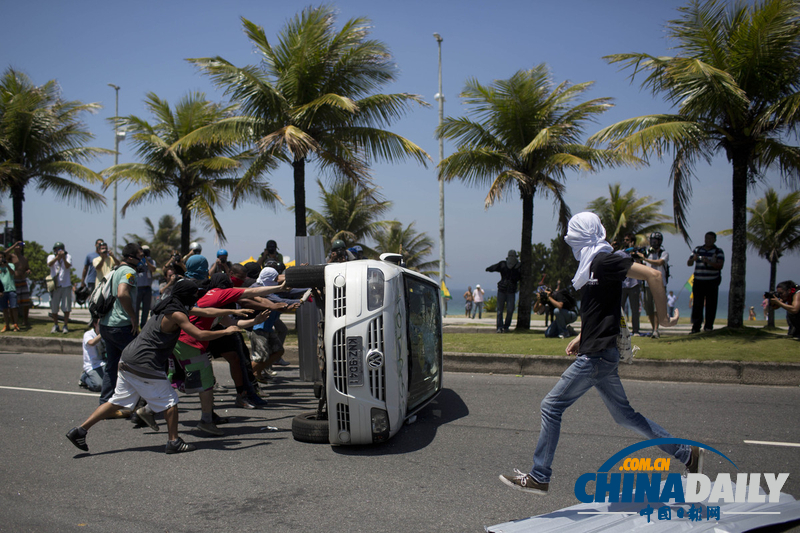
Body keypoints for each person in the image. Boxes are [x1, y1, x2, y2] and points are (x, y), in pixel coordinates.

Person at [499, 212, 701, 495]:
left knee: (551, 406)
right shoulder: (592, 264)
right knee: (625, 417)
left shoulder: (605, 259)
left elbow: (654, 275)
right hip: (599, 351)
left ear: (583, 236)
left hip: (596, 357)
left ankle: (539, 476)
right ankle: (686, 453)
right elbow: (602, 308)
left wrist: (664, 318)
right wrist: (583, 335)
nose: (571, 243)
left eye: (573, 237)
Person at [65, 278, 244, 455]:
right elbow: (199, 334)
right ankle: (174, 442)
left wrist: (235, 310)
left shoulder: (168, 304)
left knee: (117, 401)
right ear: (186, 295)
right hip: (145, 363)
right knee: (171, 402)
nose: (196, 296)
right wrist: (226, 331)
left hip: (128, 358)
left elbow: (206, 311)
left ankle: (80, 430)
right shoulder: (177, 314)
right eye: (194, 294)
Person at [171, 274, 287, 436]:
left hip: (187, 343)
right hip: (188, 343)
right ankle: (206, 421)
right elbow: (252, 292)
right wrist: (279, 288)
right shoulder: (220, 293)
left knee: (203, 381)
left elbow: (233, 323)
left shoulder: (214, 300)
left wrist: (256, 320)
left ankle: (205, 416)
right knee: (205, 384)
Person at [98, 243, 142, 406]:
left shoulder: (115, 270)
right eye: (140, 255)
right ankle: (138, 405)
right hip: (121, 325)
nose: (142, 258)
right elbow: (122, 293)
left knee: (112, 365)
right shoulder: (129, 272)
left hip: (107, 325)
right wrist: (133, 317)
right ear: (131, 257)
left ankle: (105, 403)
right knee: (136, 363)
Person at [687, 231, 725, 333]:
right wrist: (694, 259)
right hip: (698, 281)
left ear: (714, 240)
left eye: (710, 239)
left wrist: (708, 262)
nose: (708, 241)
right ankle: (696, 327)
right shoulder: (697, 249)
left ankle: (708, 327)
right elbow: (689, 263)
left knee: (711, 305)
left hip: (712, 282)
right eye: (706, 238)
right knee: (697, 305)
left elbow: (720, 266)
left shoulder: (718, 251)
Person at [640, 232, 669, 339]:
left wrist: (644, 259)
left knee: (657, 307)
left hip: (660, 284)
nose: (653, 243)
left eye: (655, 241)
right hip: (647, 283)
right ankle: (653, 328)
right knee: (649, 307)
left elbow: (659, 263)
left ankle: (656, 330)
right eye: (651, 240)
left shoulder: (664, 253)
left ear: (660, 241)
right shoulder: (646, 252)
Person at [486, 250, 522, 333]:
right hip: (502, 290)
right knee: (499, 310)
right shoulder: (503, 264)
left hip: (511, 291)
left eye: (513, 256)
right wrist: (488, 269)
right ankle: (499, 327)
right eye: (510, 255)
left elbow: (522, 277)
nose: (511, 257)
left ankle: (506, 326)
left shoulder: (519, 266)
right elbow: (494, 267)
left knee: (510, 309)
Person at [617, 233, 642, 335]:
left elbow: (640, 266)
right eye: (624, 240)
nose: (625, 242)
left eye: (627, 240)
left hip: (634, 284)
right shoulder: (621, 253)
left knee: (634, 309)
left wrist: (635, 254)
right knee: (620, 308)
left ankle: (636, 330)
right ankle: (619, 329)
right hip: (623, 284)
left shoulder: (638, 253)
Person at [47, 242, 73, 334]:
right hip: (55, 286)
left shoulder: (68, 256)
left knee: (66, 307)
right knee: (54, 307)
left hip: (66, 285)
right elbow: (49, 264)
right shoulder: (51, 257)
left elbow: (67, 266)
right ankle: (55, 325)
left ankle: (65, 325)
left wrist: (63, 258)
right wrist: (57, 258)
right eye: (57, 249)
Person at [6, 242, 31, 328]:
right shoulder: (11, 257)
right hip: (14, 281)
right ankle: (13, 321)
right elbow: (4, 254)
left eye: (19, 246)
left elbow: (27, 268)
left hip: (23, 280)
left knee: (25, 303)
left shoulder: (24, 258)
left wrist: (28, 271)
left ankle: (25, 320)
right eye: (17, 246)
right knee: (13, 303)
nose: (18, 248)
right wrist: (13, 245)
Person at [133, 245, 157, 328]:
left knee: (146, 308)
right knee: (136, 307)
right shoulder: (137, 261)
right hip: (138, 287)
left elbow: (153, 269)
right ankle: (135, 324)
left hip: (147, 287)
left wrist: (146, 260)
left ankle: (143, 325)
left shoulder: (151, 261)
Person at [79, 319, 105, 392]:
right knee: (98, 386)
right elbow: (91, 342)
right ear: (95, 324)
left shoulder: (106, 335)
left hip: (103, 364)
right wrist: (103, 333)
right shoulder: (88, 334)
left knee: (110, 385)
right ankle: (84, 377)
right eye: (100, 325)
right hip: (92, 366)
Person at [0, 251, 19, 332]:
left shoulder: (10, 265)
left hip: (11, 289)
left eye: (2, 257)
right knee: (4, 309)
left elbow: (12, 273)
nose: (0, 259)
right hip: (2, 291)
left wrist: (7, 265)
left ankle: (15, 324)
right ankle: (7, 325)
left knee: (13, 307)